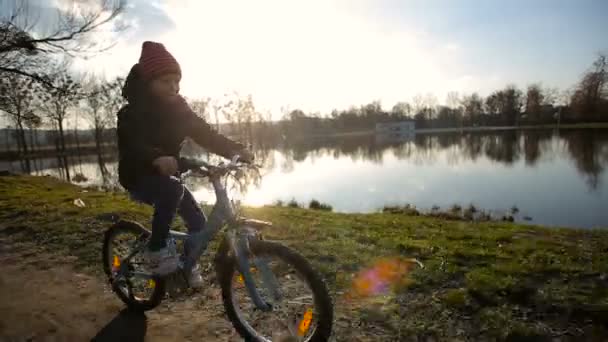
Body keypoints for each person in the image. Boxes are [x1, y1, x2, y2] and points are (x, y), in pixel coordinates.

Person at [117, 41, 253, 288]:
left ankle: (187, 265)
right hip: (137, 175)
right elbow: (133, 144)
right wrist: (155, 157)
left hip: (168, 174)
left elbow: (206, 134)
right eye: (165, 81)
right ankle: (156, 251)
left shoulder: (180, 109)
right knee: (172, 190)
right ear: (149, 82)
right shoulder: (132, 112)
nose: (173, 87)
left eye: (176, 81)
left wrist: (234, 149)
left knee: (198, 223)